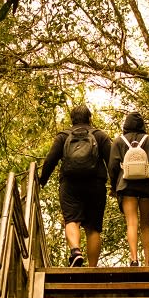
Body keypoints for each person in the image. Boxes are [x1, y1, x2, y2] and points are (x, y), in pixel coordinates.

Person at [38, 104, 112, 267]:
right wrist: (115, 185)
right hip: (96, 184)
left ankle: (76, 251)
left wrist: (41, 181)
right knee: (93, 228)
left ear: (72, 120)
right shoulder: (100, 136)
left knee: (71, 220)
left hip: (70, 183)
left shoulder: (63, 136)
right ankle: (92, 269)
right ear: (90, 118)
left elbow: (51, 160)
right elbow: (112, 161)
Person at [108, 111, 149, 267]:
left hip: (126, 186)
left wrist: (114, 186)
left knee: (131, 222)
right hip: (148, 186)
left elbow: (112, 166)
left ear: (126, 124)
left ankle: (134, 259)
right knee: (146, 225)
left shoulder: (119, 142)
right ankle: (148, 262)